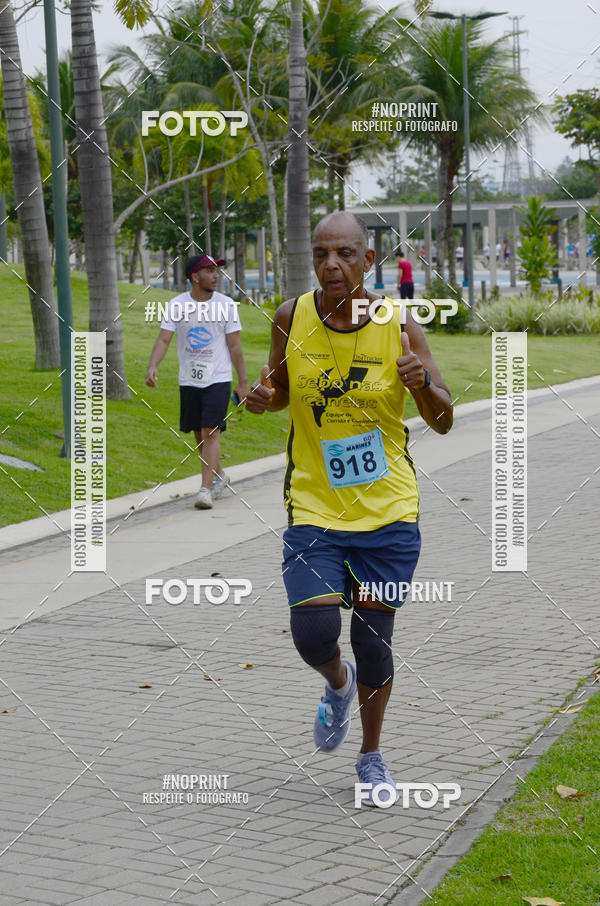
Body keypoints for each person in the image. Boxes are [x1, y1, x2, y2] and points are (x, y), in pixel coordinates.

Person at [244, 212, 453, 805]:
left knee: (373, 641)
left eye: (344, 253)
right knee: (314, 634)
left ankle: (371, 756)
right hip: (314, 504)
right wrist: (263, 398)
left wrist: (422, 384)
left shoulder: (398, 324)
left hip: (388, 511)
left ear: (367, 260)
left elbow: (443, 419)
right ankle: (337, 684)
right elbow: (280, 391)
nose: (331, 264)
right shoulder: (291, 317)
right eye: (321, 253)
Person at [145, 254, 248, 510]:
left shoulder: (226, 305)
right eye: (210, 271)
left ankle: (205, 489)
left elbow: (235, 346)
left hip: (218, 378)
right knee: (199, 433)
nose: (216, 275)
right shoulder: (177, 305)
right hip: (190, 379)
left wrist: (243, 382)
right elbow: (164, 339)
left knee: (210, 430)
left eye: (216, 270)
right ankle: (219, 475)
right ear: (194, 277)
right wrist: (153, 365)